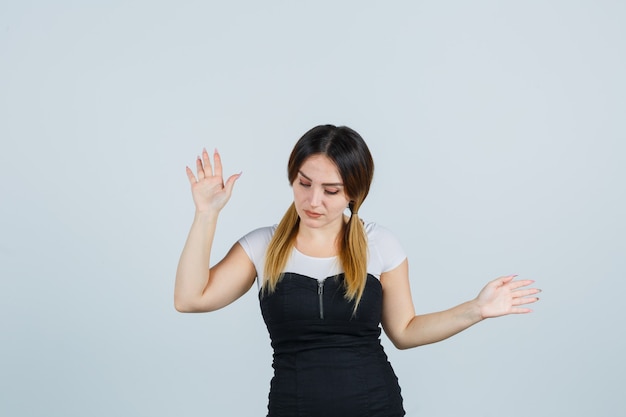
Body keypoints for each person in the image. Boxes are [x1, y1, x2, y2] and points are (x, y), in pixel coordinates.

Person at [174, 124, 540, 417]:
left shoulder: (381, 244)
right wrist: (206, 214)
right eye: (304, 183)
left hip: (375, 406)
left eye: (331, 191)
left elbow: (405, 331)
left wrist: (475, 309)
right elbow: (190, 299)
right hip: (292, 408)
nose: (313, 200)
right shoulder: (261, 246)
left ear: (354, 193)